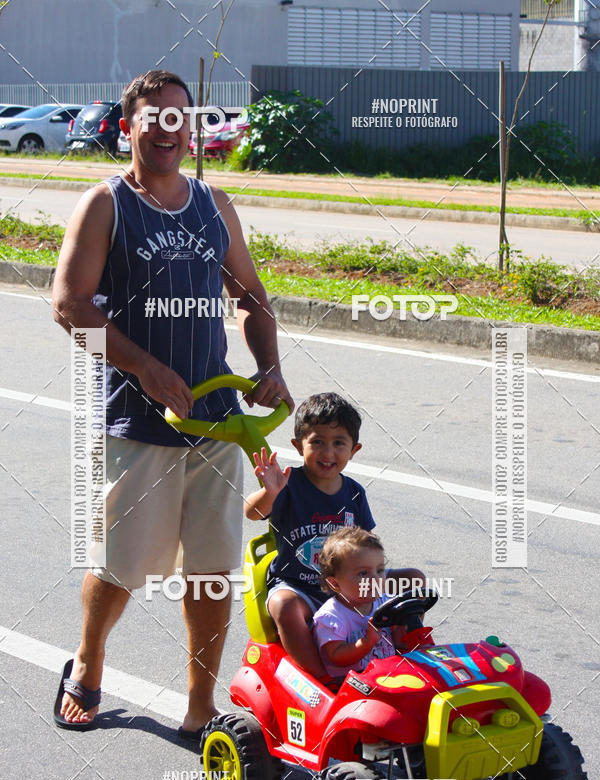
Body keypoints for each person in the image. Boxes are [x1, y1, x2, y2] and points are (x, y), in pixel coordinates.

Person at [51, 69, 292, 735]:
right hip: (138, 422)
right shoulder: (106, 203)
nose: (167, 130)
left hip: (217, 420)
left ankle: (198, 705)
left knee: (213, 575)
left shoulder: (214, 205)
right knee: (123, 568)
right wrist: (146, 367)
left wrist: (268, 366)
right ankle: (90, 659)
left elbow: (251, 296)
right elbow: (69, 305)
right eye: (152, 118)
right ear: (127, 128)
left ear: (191, 129)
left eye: (179, 118)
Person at [244, 393, 423, 684]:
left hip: (350, 582)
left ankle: (403, 649)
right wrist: (269, 493)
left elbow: (368, 544)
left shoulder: (353, 492)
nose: (328, 453)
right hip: (301, 584)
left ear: (354, 450)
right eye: (317, 442)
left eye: (338, 443)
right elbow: (252, 512)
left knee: (414, 578)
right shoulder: (288, 485)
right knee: (284, 605)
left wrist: (375, 577)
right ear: (298, 446)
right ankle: (323, 679)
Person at [314, 527, 406, 681]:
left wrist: (401, 626)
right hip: (351, 685)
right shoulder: (331, 617)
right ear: (335, 583)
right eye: (363, 573)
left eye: (380, 570)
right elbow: (336, 656)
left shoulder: (385, 601)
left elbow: (399, 641)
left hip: (387, 676)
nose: (376, 579)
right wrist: (366, 643)